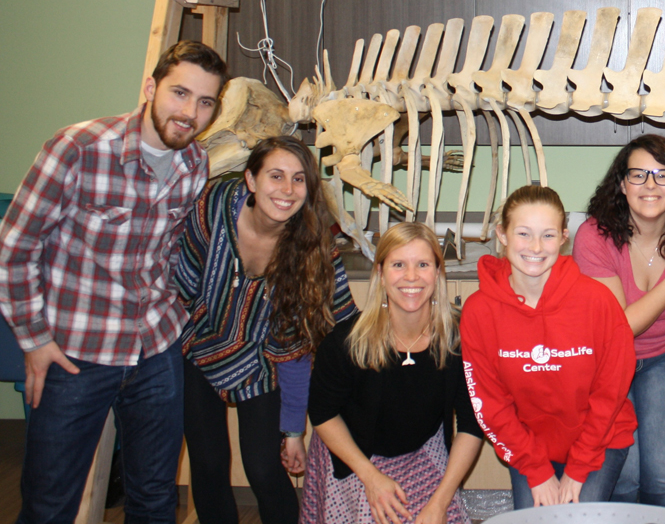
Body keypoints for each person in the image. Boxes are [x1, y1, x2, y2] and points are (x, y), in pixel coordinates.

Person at [0, 40, 228, 524]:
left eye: (205, 102)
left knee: (155, 499)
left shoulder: (195, 165)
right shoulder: (78, 149)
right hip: (74, 352)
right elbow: (14, 248)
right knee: (49, 503)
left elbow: (164, 252)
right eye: (180, 93)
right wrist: (34, 339)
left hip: (155, 348)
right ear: (150, 88)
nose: (190, 112)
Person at [175, 135, 358, 524]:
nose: (287, 190)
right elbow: (178, 285)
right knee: (207, 463)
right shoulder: (213, 208)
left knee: (263, 467)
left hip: (263, 363)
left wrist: (294, 431)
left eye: (298, 180)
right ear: (251, 180)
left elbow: (301, 348)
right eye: (275, 176)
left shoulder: (314, 251)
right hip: (196, 345)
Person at [461, 185, 636, 509]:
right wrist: (536, 470)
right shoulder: (479, 311)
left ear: (564, 237)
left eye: (548, 235)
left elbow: (610, 393)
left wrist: (580, 466)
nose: (536, 248)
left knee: (578, 517)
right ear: (502, 234)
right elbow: (491, 405)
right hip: (529, 446)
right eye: (524, 234)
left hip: (598, 440)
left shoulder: (597, 302)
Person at [303, 222, 484, 524]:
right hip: (355, 450)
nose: (411, 277)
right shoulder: (346, 343)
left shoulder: (459, 340)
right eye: (398, 264)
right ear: (380, 274)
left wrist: (439, 502)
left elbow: (471, 424)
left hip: (422, 446)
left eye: (423, 264)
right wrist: (371, 479)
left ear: (438, 275)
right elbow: (322, 414)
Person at [573, 135, 665, 510]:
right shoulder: (594, 237)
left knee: (663, 473)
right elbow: (619, 326)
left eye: (663, 175)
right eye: (638, 175)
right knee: (626, 475)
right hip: (609, 363)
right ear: (621, 183)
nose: (650, 185)